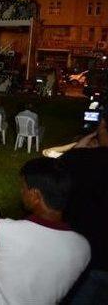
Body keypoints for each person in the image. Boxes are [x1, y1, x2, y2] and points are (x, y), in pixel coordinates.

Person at [0, 157, 90, 304]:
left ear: (35, 195)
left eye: (23, 187)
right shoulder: (82, 248)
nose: (21, 191)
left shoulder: (4, 230)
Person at [57, 115, 108, 304]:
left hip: (87, 261)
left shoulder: (83, 161)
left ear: (102, 125)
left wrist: (79, 147)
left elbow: (53, 176)